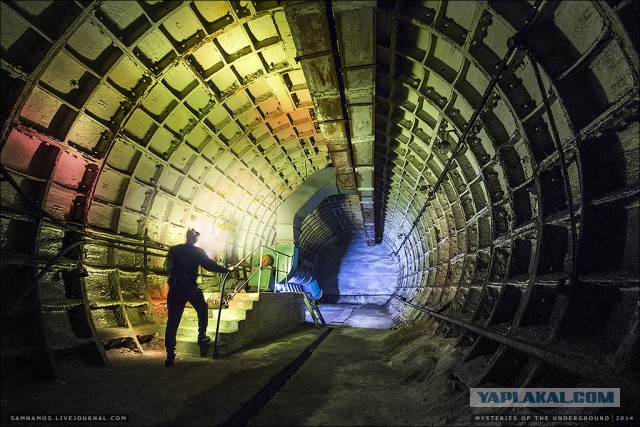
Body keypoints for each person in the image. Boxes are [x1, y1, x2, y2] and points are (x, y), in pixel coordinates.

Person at [164, 228, 233, 367]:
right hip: (189, 288)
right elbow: (210, 265)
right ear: (195, 239)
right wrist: (225, 269)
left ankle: (170, 354)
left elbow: (167, 266)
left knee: (172, 322)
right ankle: (201, 336)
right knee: (202, 309)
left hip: (175, 289)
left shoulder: (174, 249)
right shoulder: (197, 252)